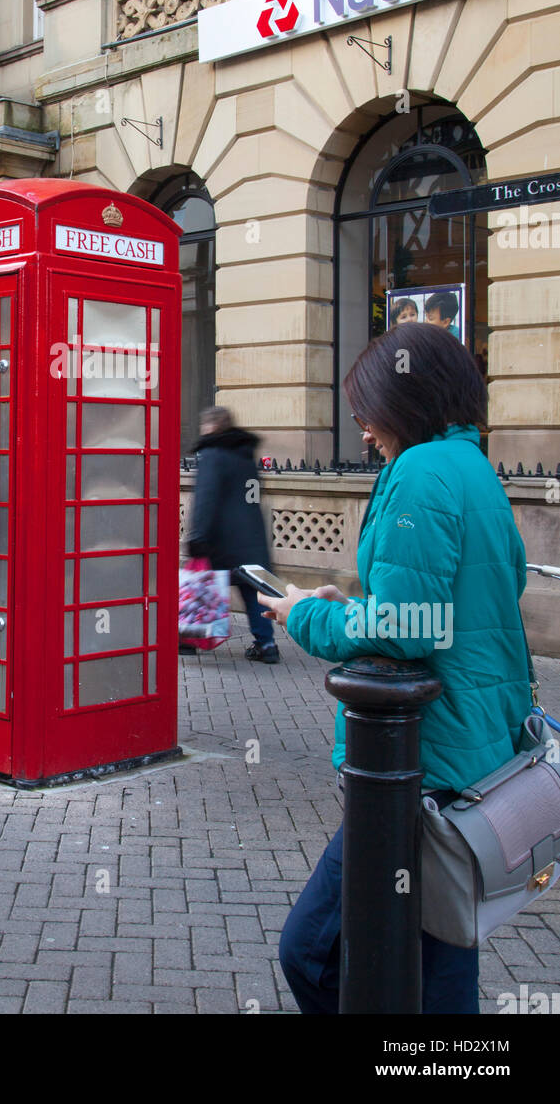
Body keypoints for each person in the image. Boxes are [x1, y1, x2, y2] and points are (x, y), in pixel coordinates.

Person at [258, 324, 530, 1014]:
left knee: (310, 953)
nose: (362, 430)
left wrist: (305, 618)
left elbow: (411, 627)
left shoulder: (417, 472)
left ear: (403, 399)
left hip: (422, 766)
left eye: (364, 411)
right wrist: (352, 603)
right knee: (439, 964)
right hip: (475, 755)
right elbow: (471, 598)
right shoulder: (474, 470)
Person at [185, 406, 278, 662]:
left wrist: (198, 536)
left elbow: (206, 498)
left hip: (220, 538)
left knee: (203, 586)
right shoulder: (245, 455)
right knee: (251, 590)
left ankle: (191, 636)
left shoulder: (212, 454)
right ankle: (267, 643)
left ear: (211, 427)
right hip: (250, 537)